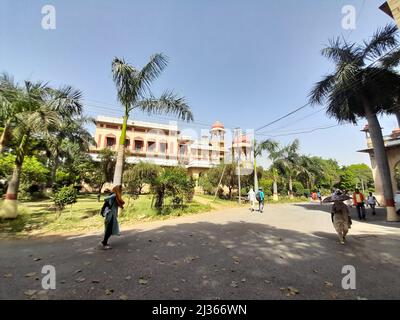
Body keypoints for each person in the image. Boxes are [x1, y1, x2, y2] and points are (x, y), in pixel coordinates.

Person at [101, 185, 125, 250]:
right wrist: (110, 197)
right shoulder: (114, 195)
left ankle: (104, 242)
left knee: (110, 229)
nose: (121, 191)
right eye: (120, 189)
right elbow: (105, 199)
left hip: (112, 215)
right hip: (110, 215)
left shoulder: (116, 196)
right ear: (117, 189)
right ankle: (104, 243)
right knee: (109, 230)